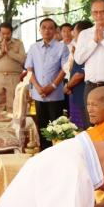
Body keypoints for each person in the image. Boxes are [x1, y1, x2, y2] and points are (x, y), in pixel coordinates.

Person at [26, 18, 68, 150]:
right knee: (42, 127)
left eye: (50, 28)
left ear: (55, 30)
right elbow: (29, 69)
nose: (47, 30)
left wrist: (52, 86)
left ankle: (56, 154)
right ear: (39, 30)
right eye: (43, 27)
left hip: (55, 95)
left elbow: (65, 69)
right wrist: (38, 88)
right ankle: (44, 153)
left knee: (56, 129)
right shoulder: (34, 47)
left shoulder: (62, 47)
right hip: (38, 95)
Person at [64, 20, 90, 129]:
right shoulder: (80, 47)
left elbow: (80, 74)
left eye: (74, 31)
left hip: (84, 95)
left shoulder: (86, 48)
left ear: (82, 33)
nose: (72, 33)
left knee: (87, 128)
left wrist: (68, 86)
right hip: (78, 95)